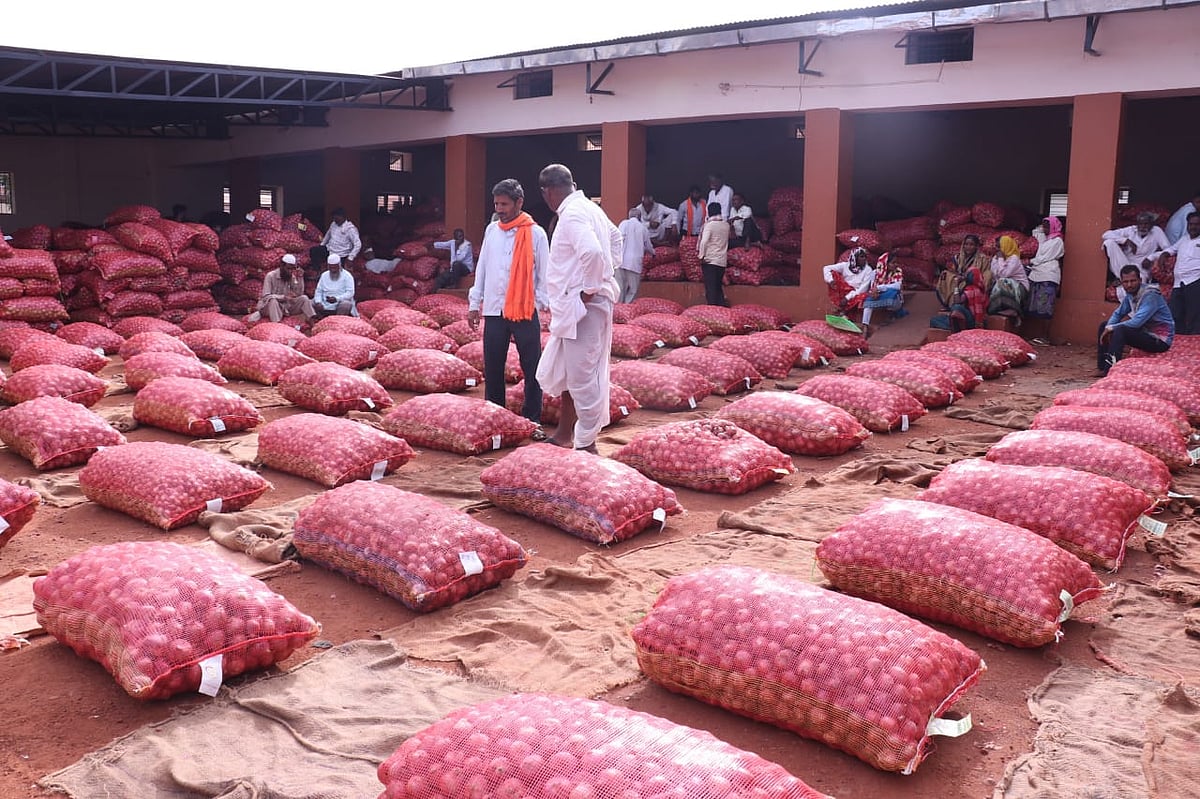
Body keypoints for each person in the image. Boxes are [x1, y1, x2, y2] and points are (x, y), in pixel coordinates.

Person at [534, 163, 621, 455]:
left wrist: (589, 288)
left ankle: (586, 443)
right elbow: (615, 238)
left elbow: (594, 252)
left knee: (583, 376)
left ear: (549, 192)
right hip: (578, 305)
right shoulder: (590, 208)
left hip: (583, 306)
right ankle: (565, 434)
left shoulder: (572, 215)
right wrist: (606, 273)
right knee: (571, 371)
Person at [467, 179, 550, 434]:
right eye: (496, 204)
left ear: (519, 203)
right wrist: (474, 302)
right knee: (493, 364)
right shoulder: (491, 231)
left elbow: (544, 275)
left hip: (524, 311)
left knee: (532, 366)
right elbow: (481, 269)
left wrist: (540, 305)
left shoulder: (535, 233)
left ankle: (532, 418)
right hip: (494, 309)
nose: (499, 209)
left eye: (504, 204)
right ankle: (495, 416)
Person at [1098, 265, 1173, 374]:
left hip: (1159, 340)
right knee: (1103, 325)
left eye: (1133, 281)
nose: (1129, 285)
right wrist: (1108, 328)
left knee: (1120, 330)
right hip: (1145, 333)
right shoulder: (1130, 294)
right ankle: (1102, 367)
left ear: (1140, 280)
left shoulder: (1150, 295)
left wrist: (1111, 328)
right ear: (1121, 283)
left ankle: (1109, 370)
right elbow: (1118, 313)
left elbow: (1137, 322)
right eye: (1126, 282)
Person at [1101, 211, 1170, 296]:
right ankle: (1121, 279)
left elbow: (1168, 249)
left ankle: (1122, 284)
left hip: (1141, 269)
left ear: (1151, 225)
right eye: (1140, 224)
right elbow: (1105, 234)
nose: (1143, 227)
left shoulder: (1157, 231)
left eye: (1146, 224)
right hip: (1124, 265)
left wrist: (1151, 257)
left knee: (1138, 286)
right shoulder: (1131, 230)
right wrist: (1125, 240)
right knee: (1109, 242)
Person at [1153, 211, 1200, 335]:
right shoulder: (1184, 239)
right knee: (1175, 313)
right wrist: (1164, 254)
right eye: (1191, 224)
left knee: (1194, 316)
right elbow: (1172, 249)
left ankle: (1194, 348)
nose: (1193, 227)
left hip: (1195, 281)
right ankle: (1179, 345)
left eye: (1197, 224)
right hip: (1178, 283)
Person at [932, 234, 991, 332]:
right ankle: (949, 303)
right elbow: (953, 270)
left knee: (951, 311)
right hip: (960, 280)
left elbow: (982, 274)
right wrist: (958, 277)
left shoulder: (983, 259)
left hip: (974, 281)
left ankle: (957, 318)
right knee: (945, 275)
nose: (968, 247)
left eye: (971, 244)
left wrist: (965, 279)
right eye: (966, 244)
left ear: (976, 246)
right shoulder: (958, 257)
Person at [1024, 216, 1065, 345]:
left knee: (1046, 307)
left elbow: (1044, 258)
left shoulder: (1057, 241)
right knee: (1036, 306)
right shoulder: (1045, 240)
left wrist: (1030, 261)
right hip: (1038, 274)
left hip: (1048, 275)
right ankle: (1037, 336)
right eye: (1043, 226)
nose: (1044, 229)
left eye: (1047, 226)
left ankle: (1045, 337)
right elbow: (1035, 234)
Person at [250, 254, 316, 324]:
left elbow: (299, 293)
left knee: (304, 298)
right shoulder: (270, 276)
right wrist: (283, 297)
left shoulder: (291, 277)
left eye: (292, 269)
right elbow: (266, 297)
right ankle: (277, 325)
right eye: (288, 268)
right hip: (269, 307)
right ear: (282, 266)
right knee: (273, 301)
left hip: (285, 306)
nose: (290, 271)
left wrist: (300, 277)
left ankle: (312, 322)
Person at [859, 251, 906, 337]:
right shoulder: (875, 273)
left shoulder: (898, 271)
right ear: (885, 264)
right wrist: (873, 292)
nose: (896, 265)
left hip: (895, 300)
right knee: (868, 300)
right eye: (893, 263)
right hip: (879, 297)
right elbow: (872, 287)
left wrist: (881, 288)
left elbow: (898, 286)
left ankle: (891, 314)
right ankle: (865, 326)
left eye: (896, 262)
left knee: (892, 292)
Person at [823, 247, 874, 321]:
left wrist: (847, 297)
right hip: (844, 290)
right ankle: (839, 309)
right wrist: (830, 280)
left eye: (865, 257)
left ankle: (843, 312)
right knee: (834, 274)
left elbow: (863, 289)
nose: (864, 259)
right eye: (861, 257)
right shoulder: (845, 265)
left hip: (856, 293)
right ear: (855, 257)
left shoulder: (868, 270)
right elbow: (826, 268)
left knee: (863, 296)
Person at [988, 235, 1030, 321]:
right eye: (996, 247)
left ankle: (1013, 310)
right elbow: (995, 274)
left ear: (1005, 246)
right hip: (1006, 285)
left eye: (999, 247)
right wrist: (998, 259)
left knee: (1003, 281)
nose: (997, 249)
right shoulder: (996, 258)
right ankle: (998, 308)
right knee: (996, 284)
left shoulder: (1014, 259)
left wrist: (1000, 259)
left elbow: (1004, 274)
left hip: (1021, 288)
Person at [698, 202, 731, 307]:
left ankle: (712, 311)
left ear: (709, 212)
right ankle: (721, 309)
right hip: (721, 261)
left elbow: (704, 242)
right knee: (717, 287)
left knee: (710, 289)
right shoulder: (726, 225)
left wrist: (701, 256)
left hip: (710, 261)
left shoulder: (710, 225)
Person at [616, 214, 654, 304]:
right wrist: (653, 252)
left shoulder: (623, 224)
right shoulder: (643, 228)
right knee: (633, 289)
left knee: (620, 287)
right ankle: (628, 307)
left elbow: (618, 238)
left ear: (629, 216)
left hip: (620, 260)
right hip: (634, 262)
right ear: (639, 217)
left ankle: (619, 308)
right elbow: (648, 245)